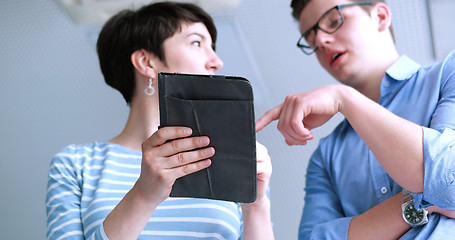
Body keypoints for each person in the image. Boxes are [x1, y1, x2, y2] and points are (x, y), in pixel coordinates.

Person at [46, 2, 274, 240]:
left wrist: (256, 207)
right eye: (197, 43)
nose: (216, 61)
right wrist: (143, 196)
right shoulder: (76, 164)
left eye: (212, 47)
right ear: (146, 62)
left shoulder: (235, 163)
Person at [256, 0, 455, 239]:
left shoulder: (448, 75)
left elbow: (450, 182)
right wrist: (419, 201)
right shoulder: (325, 156)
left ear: (380, 16)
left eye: (333, 21)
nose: (320, 41)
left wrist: (344, 98)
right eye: (311, 41)